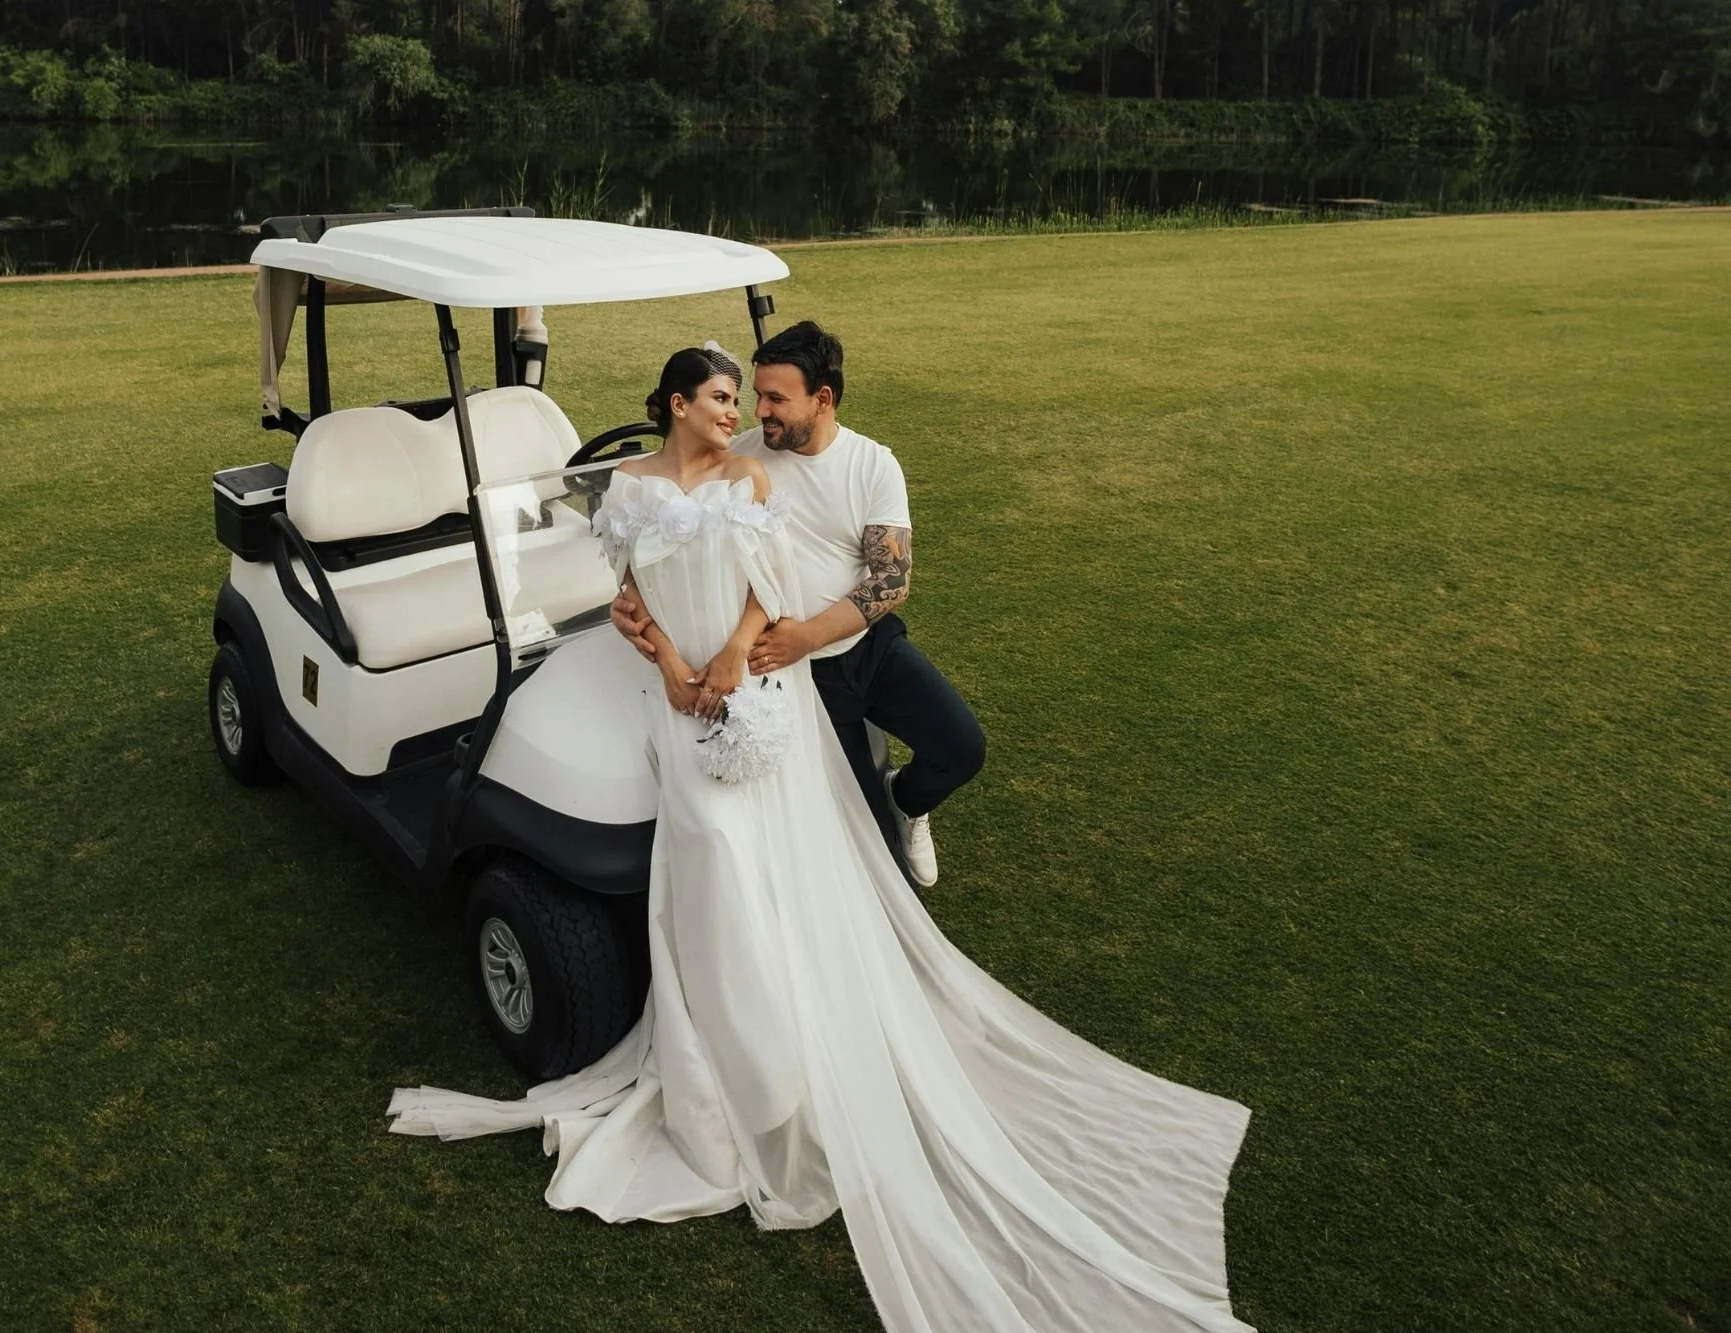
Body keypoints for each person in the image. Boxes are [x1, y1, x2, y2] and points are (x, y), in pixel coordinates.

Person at [389, 346, 1254, 1333]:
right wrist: (672, 664)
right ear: (682, 403)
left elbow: (769, 588)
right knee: (706, 871)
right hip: (679, 706)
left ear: (816, 399)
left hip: (766, 682)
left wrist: (728, 656)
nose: (746, 412)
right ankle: (725, 1079)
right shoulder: (633, 483)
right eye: (729, 397)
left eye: (759, 398)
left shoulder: (790, 467)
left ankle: (789, 1072)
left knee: (766, 860)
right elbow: (626, 593)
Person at [610, 322, 982, 889]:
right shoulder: (737, 453)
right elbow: (670, 525)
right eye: (754, 396)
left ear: (822, 399)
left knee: (961, 747)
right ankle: (879, 828)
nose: (758, 411)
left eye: (775, 399)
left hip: (865, 647)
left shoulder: (871, 464)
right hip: (793, 672)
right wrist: (630, 608)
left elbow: (891, 577)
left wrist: (805, 634)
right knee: (868, 849)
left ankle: (906, 799)